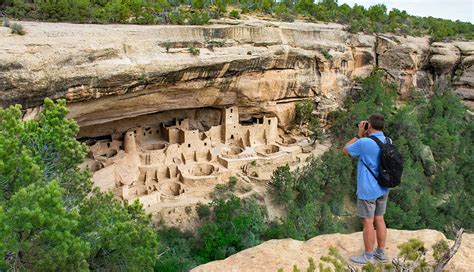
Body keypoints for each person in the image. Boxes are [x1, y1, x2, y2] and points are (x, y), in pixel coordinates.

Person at [342, 113, 389, 264]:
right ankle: (380, 252)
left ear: (369, 125)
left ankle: (368, 256)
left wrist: (359, 134)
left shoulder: (365, 142)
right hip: (383, 187)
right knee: (380, 219)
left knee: (368, 222)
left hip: (368, 189)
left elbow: (346, 150)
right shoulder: (388, 140)